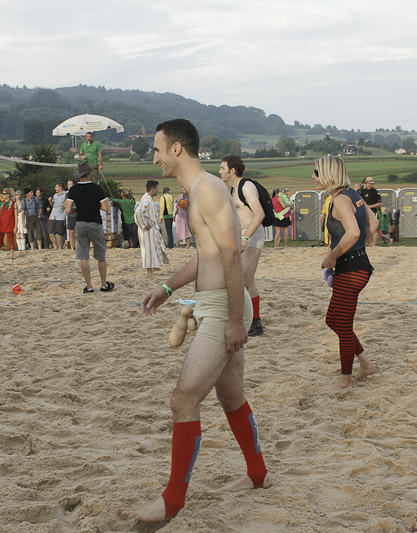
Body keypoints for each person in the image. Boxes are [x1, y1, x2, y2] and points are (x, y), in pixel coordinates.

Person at [122, 119, 270, 522]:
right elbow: (207, 255)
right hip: (214, 304)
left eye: (157, 149)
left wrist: (236, 320)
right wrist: (167, 288)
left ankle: (172, 501)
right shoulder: (199, 190)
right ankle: (257, 474)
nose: (154, 158)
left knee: (183, 400)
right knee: (231, 397)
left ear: (176, 149)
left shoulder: (208, 189)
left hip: (224, 308)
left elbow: (233, 254)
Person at [314, 156, 379, 391]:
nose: (313, 177)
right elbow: (373, 223)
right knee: (333, 320)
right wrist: (359, 246)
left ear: (328, 174)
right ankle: (366, 364)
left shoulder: (340, 199)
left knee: (341, 324)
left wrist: (332, 256)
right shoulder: (352, 194)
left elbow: (353, 233)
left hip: (351, 270)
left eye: (317, 172)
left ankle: (345, 380)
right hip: (357, 265)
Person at [219, 156, 265, 337]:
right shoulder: (233, 189)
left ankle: (256, 322)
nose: (219, 171)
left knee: (246, 279)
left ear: (232, 170)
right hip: (240, 235)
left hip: (251, 235)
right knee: (235, 278)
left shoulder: (246, 186)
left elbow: (259, 214)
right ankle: (242, 318)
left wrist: (246, 237)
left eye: (222, 168)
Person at [65, 161, 114, 294]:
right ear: (90, 173)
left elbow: (68, 210)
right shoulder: (97, 188)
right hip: (95, 223)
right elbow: (106, 208)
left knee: (83, 256)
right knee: (100, 255)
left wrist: (79, 208)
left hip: (80, 223)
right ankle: (103, 284)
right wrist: (94, 205)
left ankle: (89, 286)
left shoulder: (73, 189)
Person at [134, 180, 169, 274]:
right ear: (153, 189)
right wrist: (144, 224)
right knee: (148, 249)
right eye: (157, 188)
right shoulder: (147, 200)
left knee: (152, 248)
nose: (158, 190)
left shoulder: (148, 199)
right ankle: (149, 271)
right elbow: (138, 212)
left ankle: (153, 268)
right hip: (147, 230)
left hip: (150, 228)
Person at [359, 177, 382, 246]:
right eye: (368, 183)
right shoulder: (362, 191)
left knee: (373, 228)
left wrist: (370, 206)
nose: (370, 185)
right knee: (366, 228)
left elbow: (379, 203)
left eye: (371, 183)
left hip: (373, 211)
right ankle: (369, 243)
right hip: (364, 211)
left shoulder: (375, 192)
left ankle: (374, 244)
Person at [0, 188, 17, 260]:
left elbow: (16, 216)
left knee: (11, 241)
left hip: (10, 223)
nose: (3, 195)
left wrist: (16, 226)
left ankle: (11, 257)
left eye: (4, 193)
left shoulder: (14, 204)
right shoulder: (1, 204)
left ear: (8, 194)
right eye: (3, 193)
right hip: (1, 224)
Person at [48, 182, 68, 250]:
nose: (55, 188)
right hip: (53, 215)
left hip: (61, 216)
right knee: (50, 232)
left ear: (60, 187)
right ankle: (55, 246)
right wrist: (50, 201)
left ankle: (60, 246)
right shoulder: (55, 195)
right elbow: (53, 205)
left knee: (61, 233)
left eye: (56, 187)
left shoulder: (65, 194)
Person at [64, 179, 77, 251]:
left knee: (79, 232)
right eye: (67, 184)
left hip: (78, 214)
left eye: (69, 184)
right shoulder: (67, 194)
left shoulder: (78, 193)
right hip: (71, 215)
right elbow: (64, 204)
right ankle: (72, 248)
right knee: (71, 232)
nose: (68, 186)